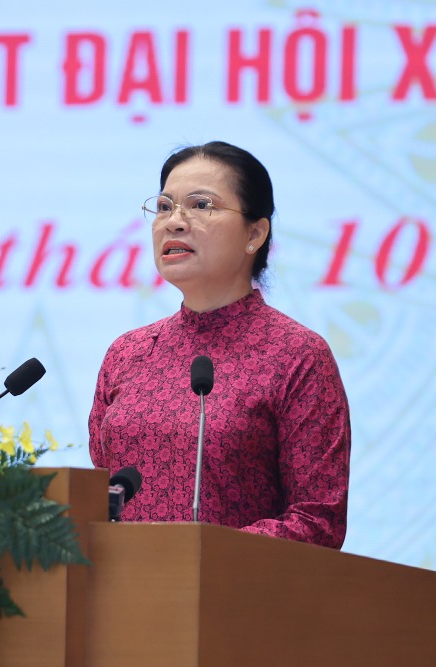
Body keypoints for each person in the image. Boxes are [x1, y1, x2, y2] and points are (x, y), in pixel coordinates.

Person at [88, 141, 350, 548]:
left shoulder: (297, 356)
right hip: (125, 600)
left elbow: (318, 523)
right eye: (164, 207)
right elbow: (101, 505)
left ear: (255, 233)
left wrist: (203, 555)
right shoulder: (128, 354)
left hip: (235, 601)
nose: (174, 222)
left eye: (201, 205)